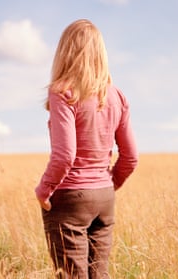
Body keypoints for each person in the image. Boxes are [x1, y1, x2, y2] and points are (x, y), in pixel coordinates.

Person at [35, 19, 138, 279]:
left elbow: (64, 155)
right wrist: (109, 184)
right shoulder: (117, 95)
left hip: (70, 198)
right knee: (98, 275)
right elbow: (131, 157)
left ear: (65, 52)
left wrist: (44, 189)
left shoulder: (63, 92)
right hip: (104, 197)